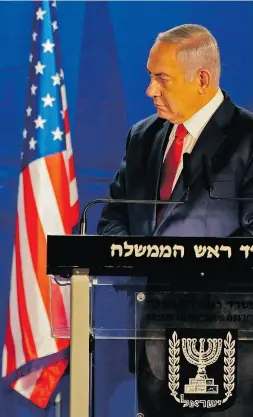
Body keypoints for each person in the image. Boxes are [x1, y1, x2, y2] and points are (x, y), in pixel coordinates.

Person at [97, 24, 253, 417]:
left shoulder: (248, 138)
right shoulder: (142, 137)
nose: (150, 90)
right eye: (151, 77)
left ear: (202, 79)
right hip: (151, 339)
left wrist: (176, 266)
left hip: (228, 345)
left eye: (160, 78)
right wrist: (133, 257)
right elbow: (114, 215)